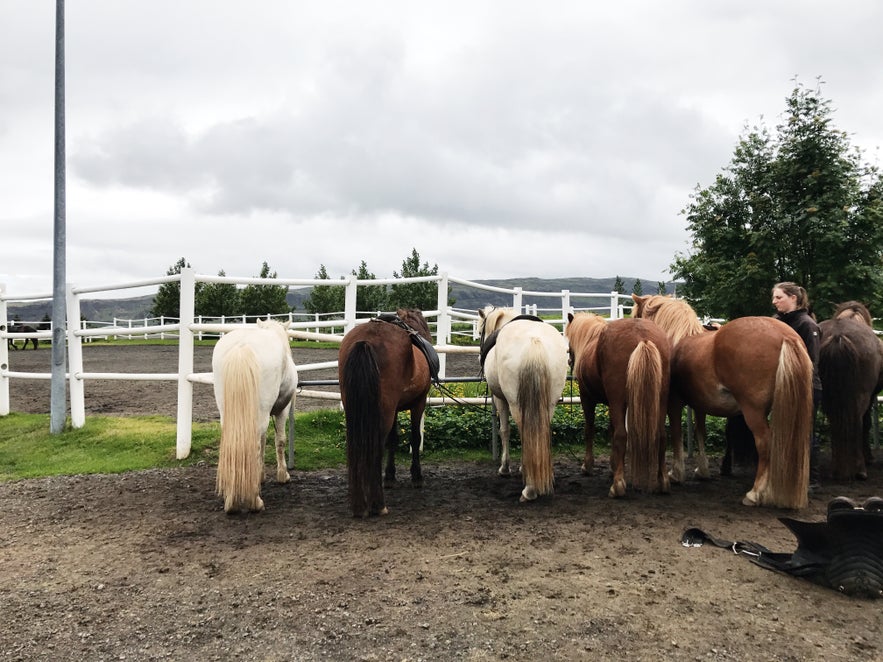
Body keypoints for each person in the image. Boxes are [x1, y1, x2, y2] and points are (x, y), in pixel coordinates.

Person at [771, 281, 822, 489]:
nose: (774, 302)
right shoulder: (776, 321)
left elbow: (812, 362)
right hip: (781, 388)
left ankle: (811, 479)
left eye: (779, 297)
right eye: (774, 298)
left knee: (805, 432)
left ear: (794, 298)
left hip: (807, 387)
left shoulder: (807, 325)